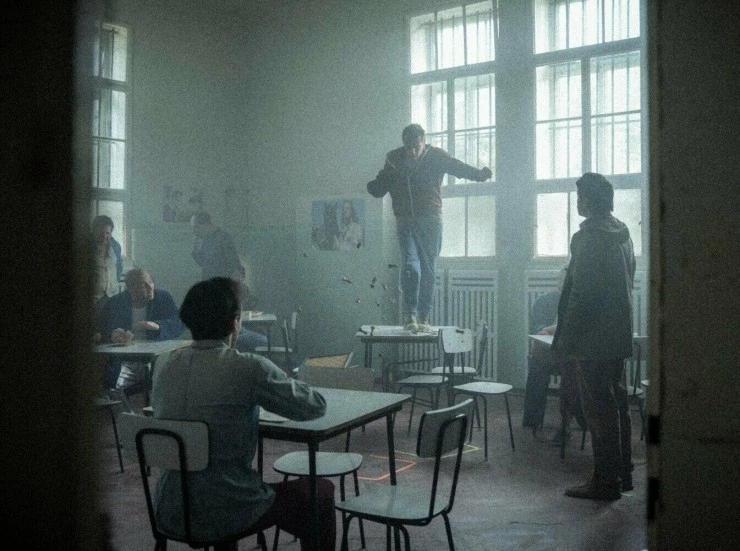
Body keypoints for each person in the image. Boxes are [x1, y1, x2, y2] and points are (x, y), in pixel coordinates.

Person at [151, 277, 335, 550]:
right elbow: (314, 406)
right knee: (319, 492)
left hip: (169, 508)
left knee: (217, 478)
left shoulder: (163, 362)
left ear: (188, 320)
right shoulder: (248, 367)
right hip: (225, 509)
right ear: (236, 322)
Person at [552, 172, 636, 501]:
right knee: (618, 407)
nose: (577, 202)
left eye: (579, 197)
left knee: (599, 411)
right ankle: (623, 474)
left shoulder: (589, 238)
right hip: (617, 335)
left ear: (587, 201)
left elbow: (581, 296)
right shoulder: (623, 235)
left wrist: (565, 341)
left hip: (592, 341)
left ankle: (604, 481)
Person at [367, 124, 491, 332]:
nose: (412, 151)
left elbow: (458, 167)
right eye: (408, 146)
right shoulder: (394, 159)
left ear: (424, 142)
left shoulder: (436, 156)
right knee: (410, 266)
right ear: (403, 143)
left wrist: (478, 174)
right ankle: (410, 315)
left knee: (428, 268)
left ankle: (424, 316)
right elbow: (382, 182)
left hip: (431, 218)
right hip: (405, 219)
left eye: (416, 146)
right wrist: (375, 186)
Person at [522, 266, 586, 441]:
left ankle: (570, 422)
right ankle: (534, 419)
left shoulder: (580, 305)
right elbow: (538, 331)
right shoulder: (544, 301)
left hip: (573, 358)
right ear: (559, 282)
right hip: (549, 355)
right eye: (565, 281)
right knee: (538, 364)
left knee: (574, 370)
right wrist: (559, 327)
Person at [190, 211, 267, 352]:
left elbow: (234, 264)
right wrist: (195, 251)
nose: (194, 231)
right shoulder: (205, 240)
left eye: (196, 227)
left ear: (205, 225)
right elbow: (205, 264)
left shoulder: (223, 239)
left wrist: (235, 280)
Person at [99, 268, 185, 392]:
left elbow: (179, 322)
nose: (150, 287)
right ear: (130, 289)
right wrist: (113, 335)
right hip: (124, 360)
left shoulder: (163, 297)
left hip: (157, 359)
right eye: (143, 285)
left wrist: (159, 326)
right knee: (115, 389)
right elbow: (102, 328)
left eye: (150, 282)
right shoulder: (115, 303)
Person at [92, 215, 124, 311]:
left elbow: (119, 266)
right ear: (94, 231)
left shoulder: (116, 246)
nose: (104, 236)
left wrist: (114, 282)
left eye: (107, 233)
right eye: (101, 232)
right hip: (94, 298)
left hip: (112, 296)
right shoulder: (86, 248)